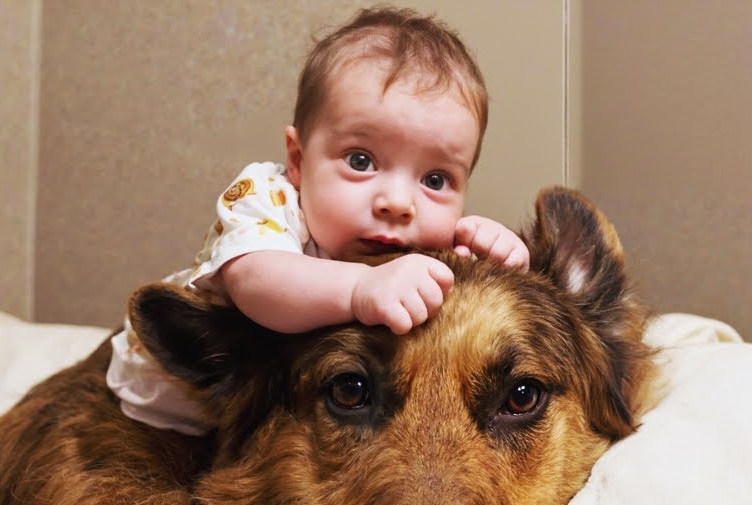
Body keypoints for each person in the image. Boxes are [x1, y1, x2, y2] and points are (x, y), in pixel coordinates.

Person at [107, 5, 529, 433]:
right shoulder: (267, 199)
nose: (399, 203)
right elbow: (255, 282)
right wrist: (359, 288)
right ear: (297, 160)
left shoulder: (417, 237)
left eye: (436, 179)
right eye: (361, 161)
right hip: (188, 380)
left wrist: (493, 250)